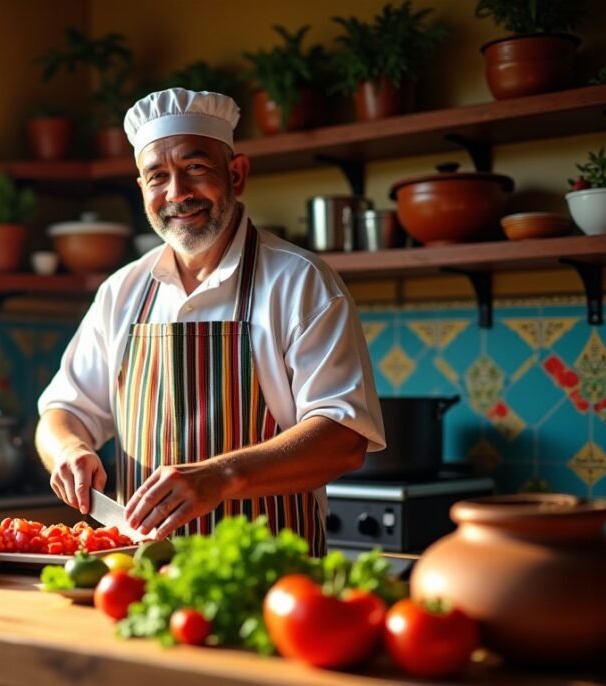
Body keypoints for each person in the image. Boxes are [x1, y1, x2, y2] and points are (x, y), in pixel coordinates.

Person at [35, 88, 385, 554]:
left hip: (273, 582)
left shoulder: (301, 282)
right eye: (157, 177)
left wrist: (220, 478)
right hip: (141, 577)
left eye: (195, 168)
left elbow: (343, 438)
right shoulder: (121, 292)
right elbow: (63, 412)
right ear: (142, 191)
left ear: (236, 174)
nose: (177, 194)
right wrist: (69, 451)